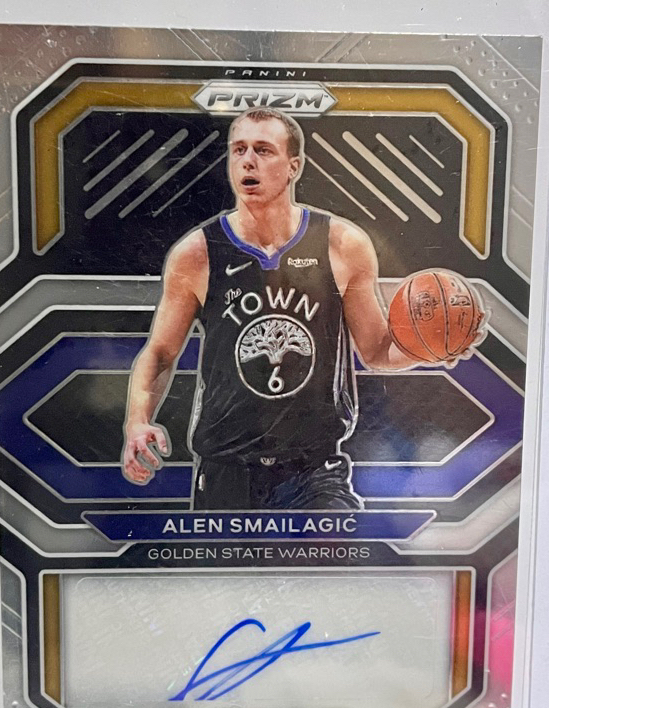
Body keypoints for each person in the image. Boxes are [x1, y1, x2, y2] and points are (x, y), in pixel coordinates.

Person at [122, 107, 465, 510]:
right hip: (227, 471)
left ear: (293, 167)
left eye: (264, 150)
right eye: (238, 150)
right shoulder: (197, 253)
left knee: (337, 550)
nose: (248, 161)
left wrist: (432, 349)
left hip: (315, 473)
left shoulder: (342, 245)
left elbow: (375, 350)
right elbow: (161, 353)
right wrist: (137, 421)